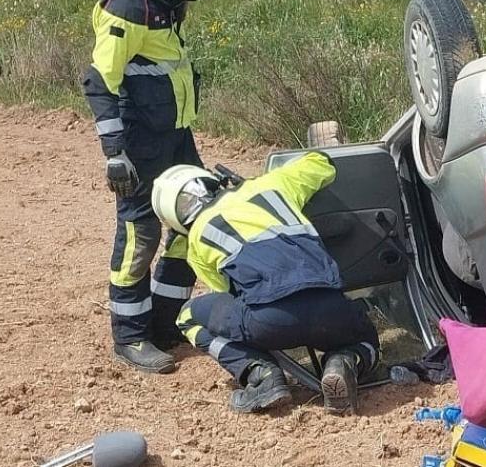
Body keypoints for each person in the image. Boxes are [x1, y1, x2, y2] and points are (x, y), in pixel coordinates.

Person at [82, 0, 222, 374]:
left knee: (193, 219)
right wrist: (115, 152)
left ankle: (164, 322)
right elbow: (100, 81)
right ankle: (130, 335)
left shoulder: (168, 0)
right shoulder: (126, 7)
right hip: (139, 142)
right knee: (139, 235)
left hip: (177, 134)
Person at [150, 153, 380, 415]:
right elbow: (322, 163)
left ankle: (260, 374)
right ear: (211, 181)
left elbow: (227, 295)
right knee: (367, 338)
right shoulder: (273, 184)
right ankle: (345, 360)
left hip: (270, 323)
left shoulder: (196, 241)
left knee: (188, 317)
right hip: (332, 311)